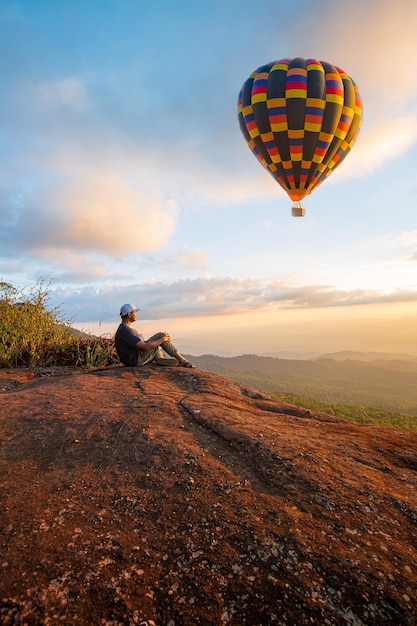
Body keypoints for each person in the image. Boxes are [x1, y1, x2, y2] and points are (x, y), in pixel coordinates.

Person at [115, 303, 195, 368]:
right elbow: (144, 346)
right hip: (135, 360)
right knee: (160, 336)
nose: (136, 314)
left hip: (131, 359)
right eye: (135, 312)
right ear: (129, 314)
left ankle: (159, 358)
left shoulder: (123, 329)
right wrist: (162, 339)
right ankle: (182, 360)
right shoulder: (125, 330)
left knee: (155, 346)